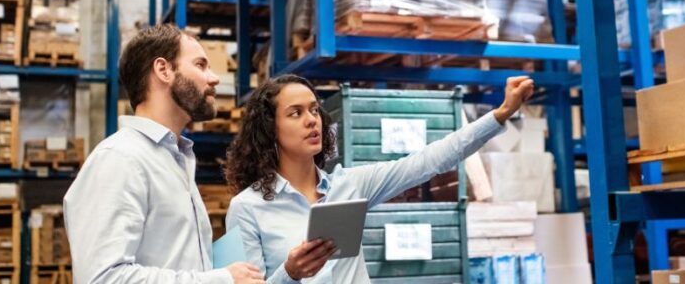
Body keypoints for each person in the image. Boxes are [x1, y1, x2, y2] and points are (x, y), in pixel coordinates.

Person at [225, 74, 534, 283]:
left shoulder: (350, 185)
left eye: (314, 110)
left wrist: (501, 114)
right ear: (269, 129)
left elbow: (429, 161)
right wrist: (290, 274)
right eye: (295, 113)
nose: (311, 120)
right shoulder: (246, 208)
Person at [64, 24, 265, 284]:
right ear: (163, 70)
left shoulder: (174, 159)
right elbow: (102, 278)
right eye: (201, 65)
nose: (214, 78)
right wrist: (222, 280)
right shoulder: (120, 159)